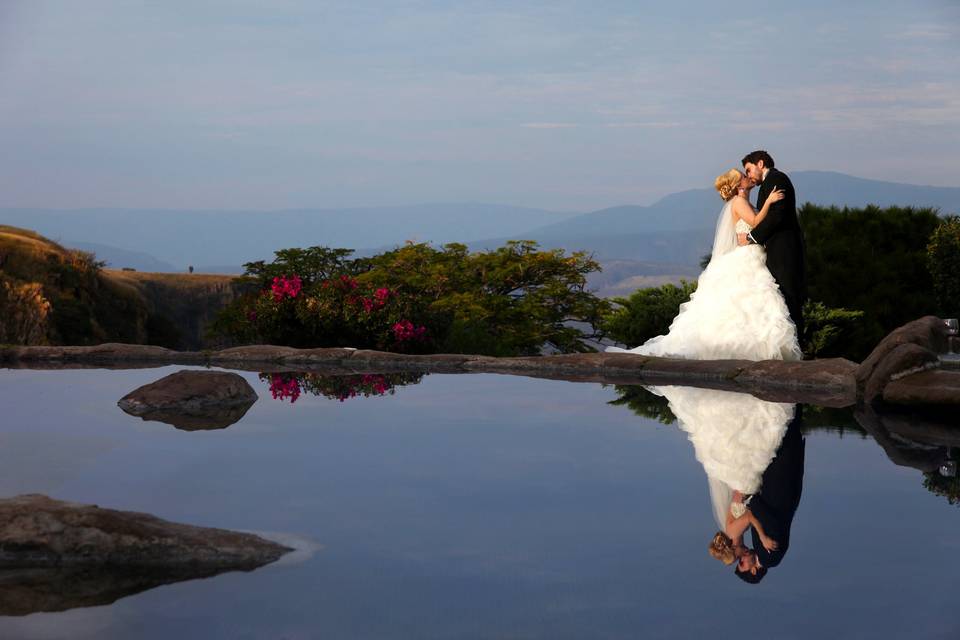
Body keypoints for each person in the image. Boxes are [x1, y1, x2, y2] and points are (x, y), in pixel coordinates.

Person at [607, 164, 802, 361]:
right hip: (747, 257)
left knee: (748, 303)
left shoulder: (742, 201)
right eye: (744, 176)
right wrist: (769, 202)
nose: (748, 177)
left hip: (752, 254)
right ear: (738, 185)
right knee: (746, 301)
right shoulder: (739, 202)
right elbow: (756, 222)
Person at [739, 150, 807, 340]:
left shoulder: (777, 179)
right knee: (782, 298)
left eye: (749, 170)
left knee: (790, 297)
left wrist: (751, 237)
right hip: (776, 250)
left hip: (785, 250)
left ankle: (797, 346)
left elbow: (777, 216)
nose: (749, 176)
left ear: (760, 164)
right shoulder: (768, 183)